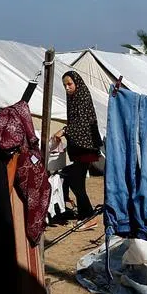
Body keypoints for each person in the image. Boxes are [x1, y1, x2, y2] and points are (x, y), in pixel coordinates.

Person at [51, 70, 102, 226]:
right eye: (64, 85)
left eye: (69, 84)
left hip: (86, 146)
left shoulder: (82, 97)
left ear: (77, 83)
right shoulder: (73, 99)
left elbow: (82, 123)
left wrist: (64, 130)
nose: (67, 87)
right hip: (78, 147)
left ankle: (88, 215)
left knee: (75, 180)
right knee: (75, 180)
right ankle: (85, 214)